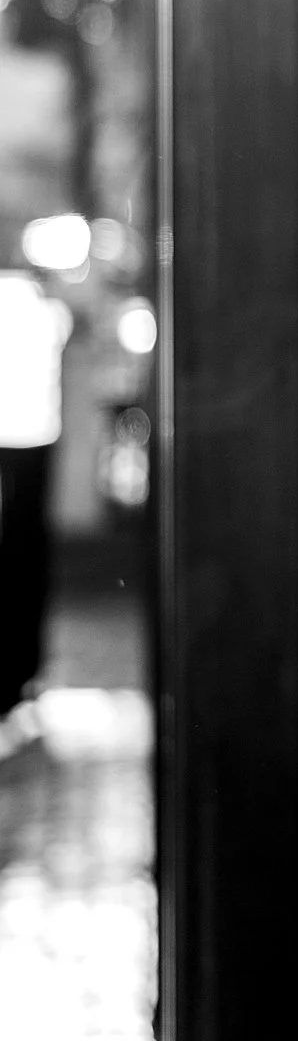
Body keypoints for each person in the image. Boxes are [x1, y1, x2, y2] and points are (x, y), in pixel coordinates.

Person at [0, 257, 72, 732]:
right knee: (24, 558)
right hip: (32, 442)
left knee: (22, 558)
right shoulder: (47, 310)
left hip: (30, 442)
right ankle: (21, 673)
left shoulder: (42, 311)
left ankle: (19, 674)